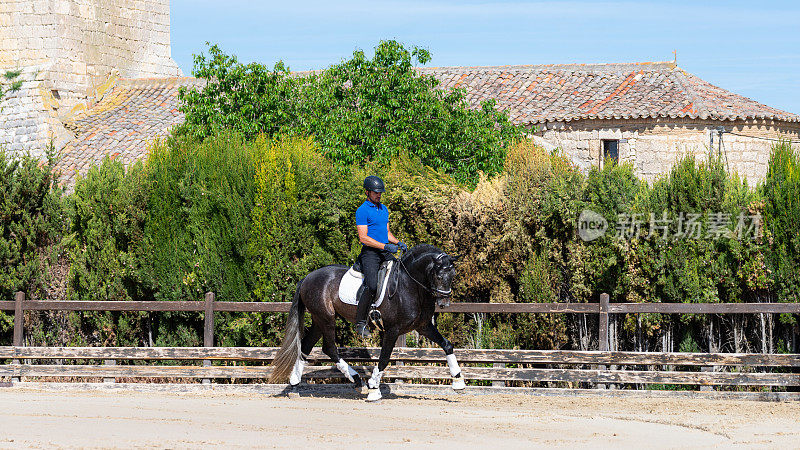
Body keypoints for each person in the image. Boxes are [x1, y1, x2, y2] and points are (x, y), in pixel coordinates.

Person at [354, 176, 408, 338]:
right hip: (370, 253)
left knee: (401, 274)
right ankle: (360, 323)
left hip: (385, 251)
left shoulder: (383, 209)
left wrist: (398, 242)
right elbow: (363, 238)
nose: (379, 195)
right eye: (376, 192)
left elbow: (387, 233)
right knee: (371, 285)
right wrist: (385, 246)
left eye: (380, 192)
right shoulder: (362, 210)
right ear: (367, 192)